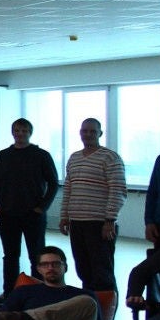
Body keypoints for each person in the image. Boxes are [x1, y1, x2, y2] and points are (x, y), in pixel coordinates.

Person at [0, 118, 59, 292]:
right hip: (7, 214)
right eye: (17, 130)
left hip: (33, 215)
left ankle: (38, 292)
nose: (20, 134)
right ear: (12, 132)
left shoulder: (41, 155)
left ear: (30, 133)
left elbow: (53, 183)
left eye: (24, 131)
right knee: (10, 256)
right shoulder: (2, 156)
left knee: (36, 256)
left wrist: (42, 207)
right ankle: (10, 293)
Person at [60, 118, 127, 294]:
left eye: (93, 131)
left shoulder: (110, 157)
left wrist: (110, 220)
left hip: (100, 223)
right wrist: (64, 216)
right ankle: (89, 304)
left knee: (102, 271)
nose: (88, 134)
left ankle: (106, 308)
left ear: (100, 134)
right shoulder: (74, 158)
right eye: (85, 131)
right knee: (83, 269)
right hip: (77, 222)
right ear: (80, 133)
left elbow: (118, 189)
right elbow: (68, 189)